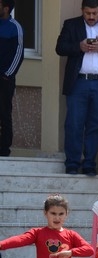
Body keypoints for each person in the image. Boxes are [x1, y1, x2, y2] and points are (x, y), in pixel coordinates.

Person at [55, 0, 98, 176]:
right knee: (74, 124)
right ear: (82, 11)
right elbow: (60, 47)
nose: (91, 17)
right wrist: (79, 46)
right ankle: (72, 163)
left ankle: (89, 164)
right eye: (87, 13)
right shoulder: (71, 25)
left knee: (97, 125)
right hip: (78, 82)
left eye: (94, 13)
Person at [0, 0, 23, 157]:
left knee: (4, 114)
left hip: (4, 79)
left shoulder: (15, 27)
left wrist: (7, 75)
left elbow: (19, 53)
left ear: (6, 8)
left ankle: (3, 150)